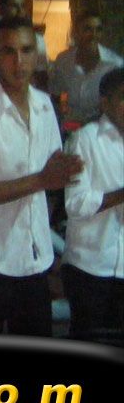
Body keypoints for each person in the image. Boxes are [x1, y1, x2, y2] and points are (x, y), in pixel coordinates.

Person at [0, 18, 84, 336]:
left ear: (37, 55)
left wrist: (67, 169)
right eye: (9, 52)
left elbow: (51, 168)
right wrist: (40, 180)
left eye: (27, 50)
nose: (19, 61)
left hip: (33, 253)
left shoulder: (43, 104)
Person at [61, 68, 124, 342]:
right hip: (90, 265)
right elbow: (75, 204)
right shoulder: (86, 139)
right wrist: (119, 196)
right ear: (105, 102)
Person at [49, 12, 123, 126]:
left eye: (98, 30)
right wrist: (61, 116)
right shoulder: (64, 60)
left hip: (101, 128)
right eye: (87, 29)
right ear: (76, 33)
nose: (93, 35)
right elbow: (56, 93)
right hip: (69, 125)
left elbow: (117, 104)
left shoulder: (114, 65)